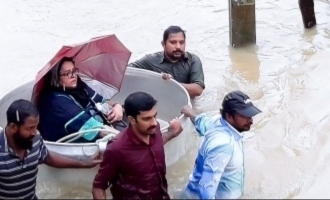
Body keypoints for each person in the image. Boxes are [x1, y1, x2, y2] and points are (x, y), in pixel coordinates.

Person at [0, 99, 101, 199]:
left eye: (36, 127)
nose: (34, 132)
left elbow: (47, 157)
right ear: (13, 127)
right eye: (29, 128)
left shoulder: (35, 139)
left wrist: (85, 163)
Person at [92, 92, 183, 199]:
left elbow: (157, 143)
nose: (154, 122)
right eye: (147, 119)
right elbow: (98, 187)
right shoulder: (117, 149)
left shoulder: (154, 129)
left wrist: (172, 133)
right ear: (132, 120)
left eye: (155, 116)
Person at [180, 90, 262, 199]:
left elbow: (201, 122)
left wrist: (190, 113)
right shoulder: (223, 146)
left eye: (251, 115)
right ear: (229, 116)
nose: (251, 120)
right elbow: (206, 189)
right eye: (245, 116)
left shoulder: (217, 121)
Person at [38, 56, 124, 143]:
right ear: (55, 77)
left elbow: (101, 101)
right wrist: (124, 139)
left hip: (100, 130)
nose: (73, 76)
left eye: (74, 71)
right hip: (75, 146)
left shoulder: (78, 86)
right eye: (67, 73)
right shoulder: (55, 101)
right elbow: (93, 128)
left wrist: (117, 106)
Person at [128, 26, 205, 98]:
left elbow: (198, 90)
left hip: (187, 102)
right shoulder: (150, 60)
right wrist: (155, 80)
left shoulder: (193, 60)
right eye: (173, 42)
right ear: (163, 44)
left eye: (182, 42)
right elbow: (127, 71)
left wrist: (171, 83)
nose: (178, 46)